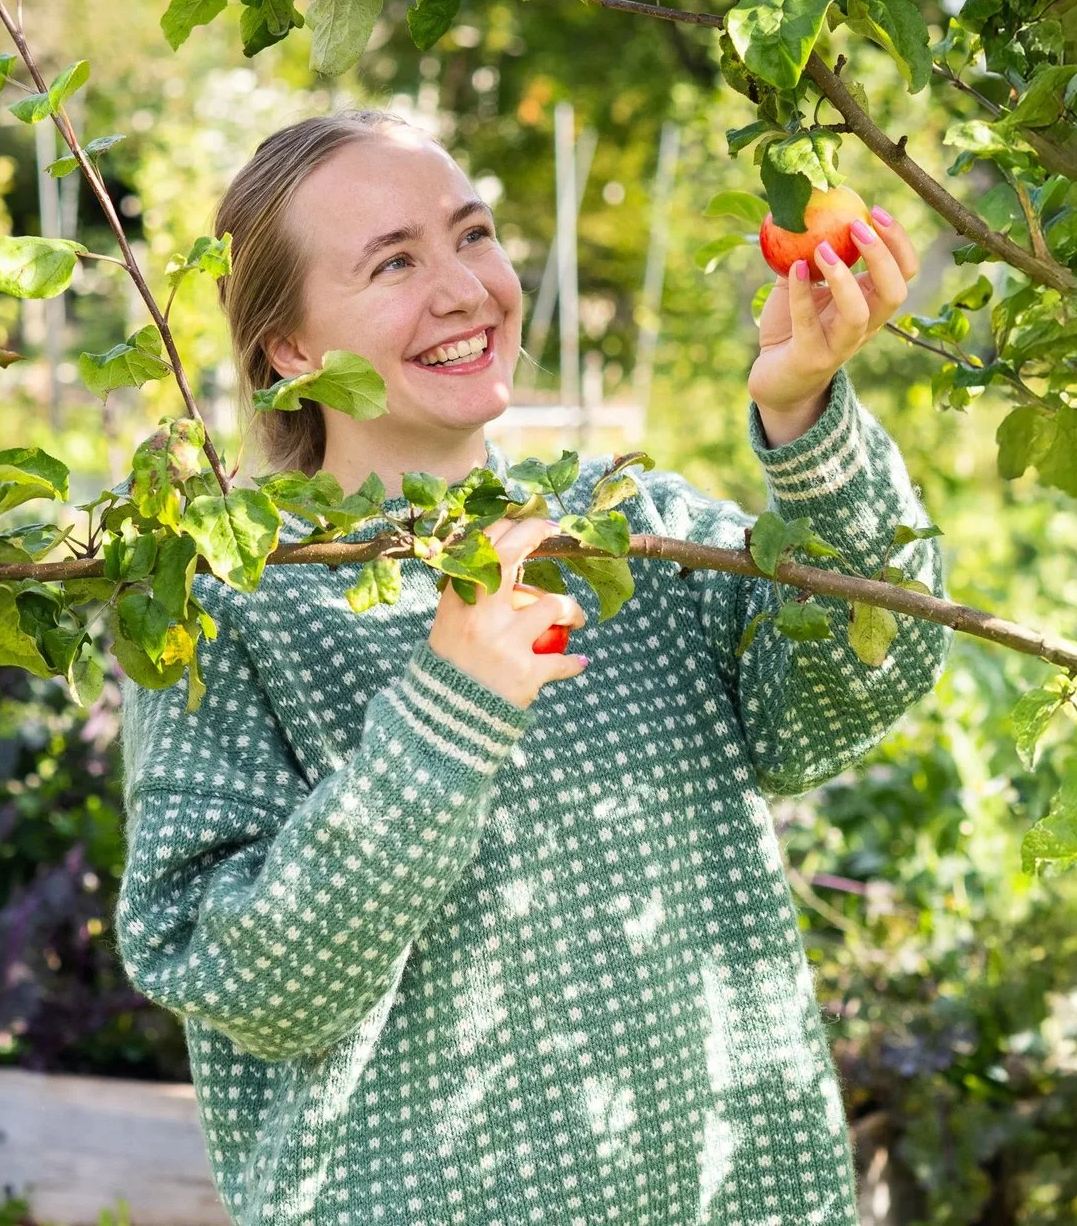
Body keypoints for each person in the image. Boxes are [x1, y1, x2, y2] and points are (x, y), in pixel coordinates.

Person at [112, 108, 951, 1225]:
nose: (464, 289)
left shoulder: (625, 532)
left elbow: (862, 675)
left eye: (470, 235)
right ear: (291, 350)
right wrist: (445, 714)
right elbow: (238, 980)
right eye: (393, 262)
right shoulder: (228, 604)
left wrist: (796, 410)